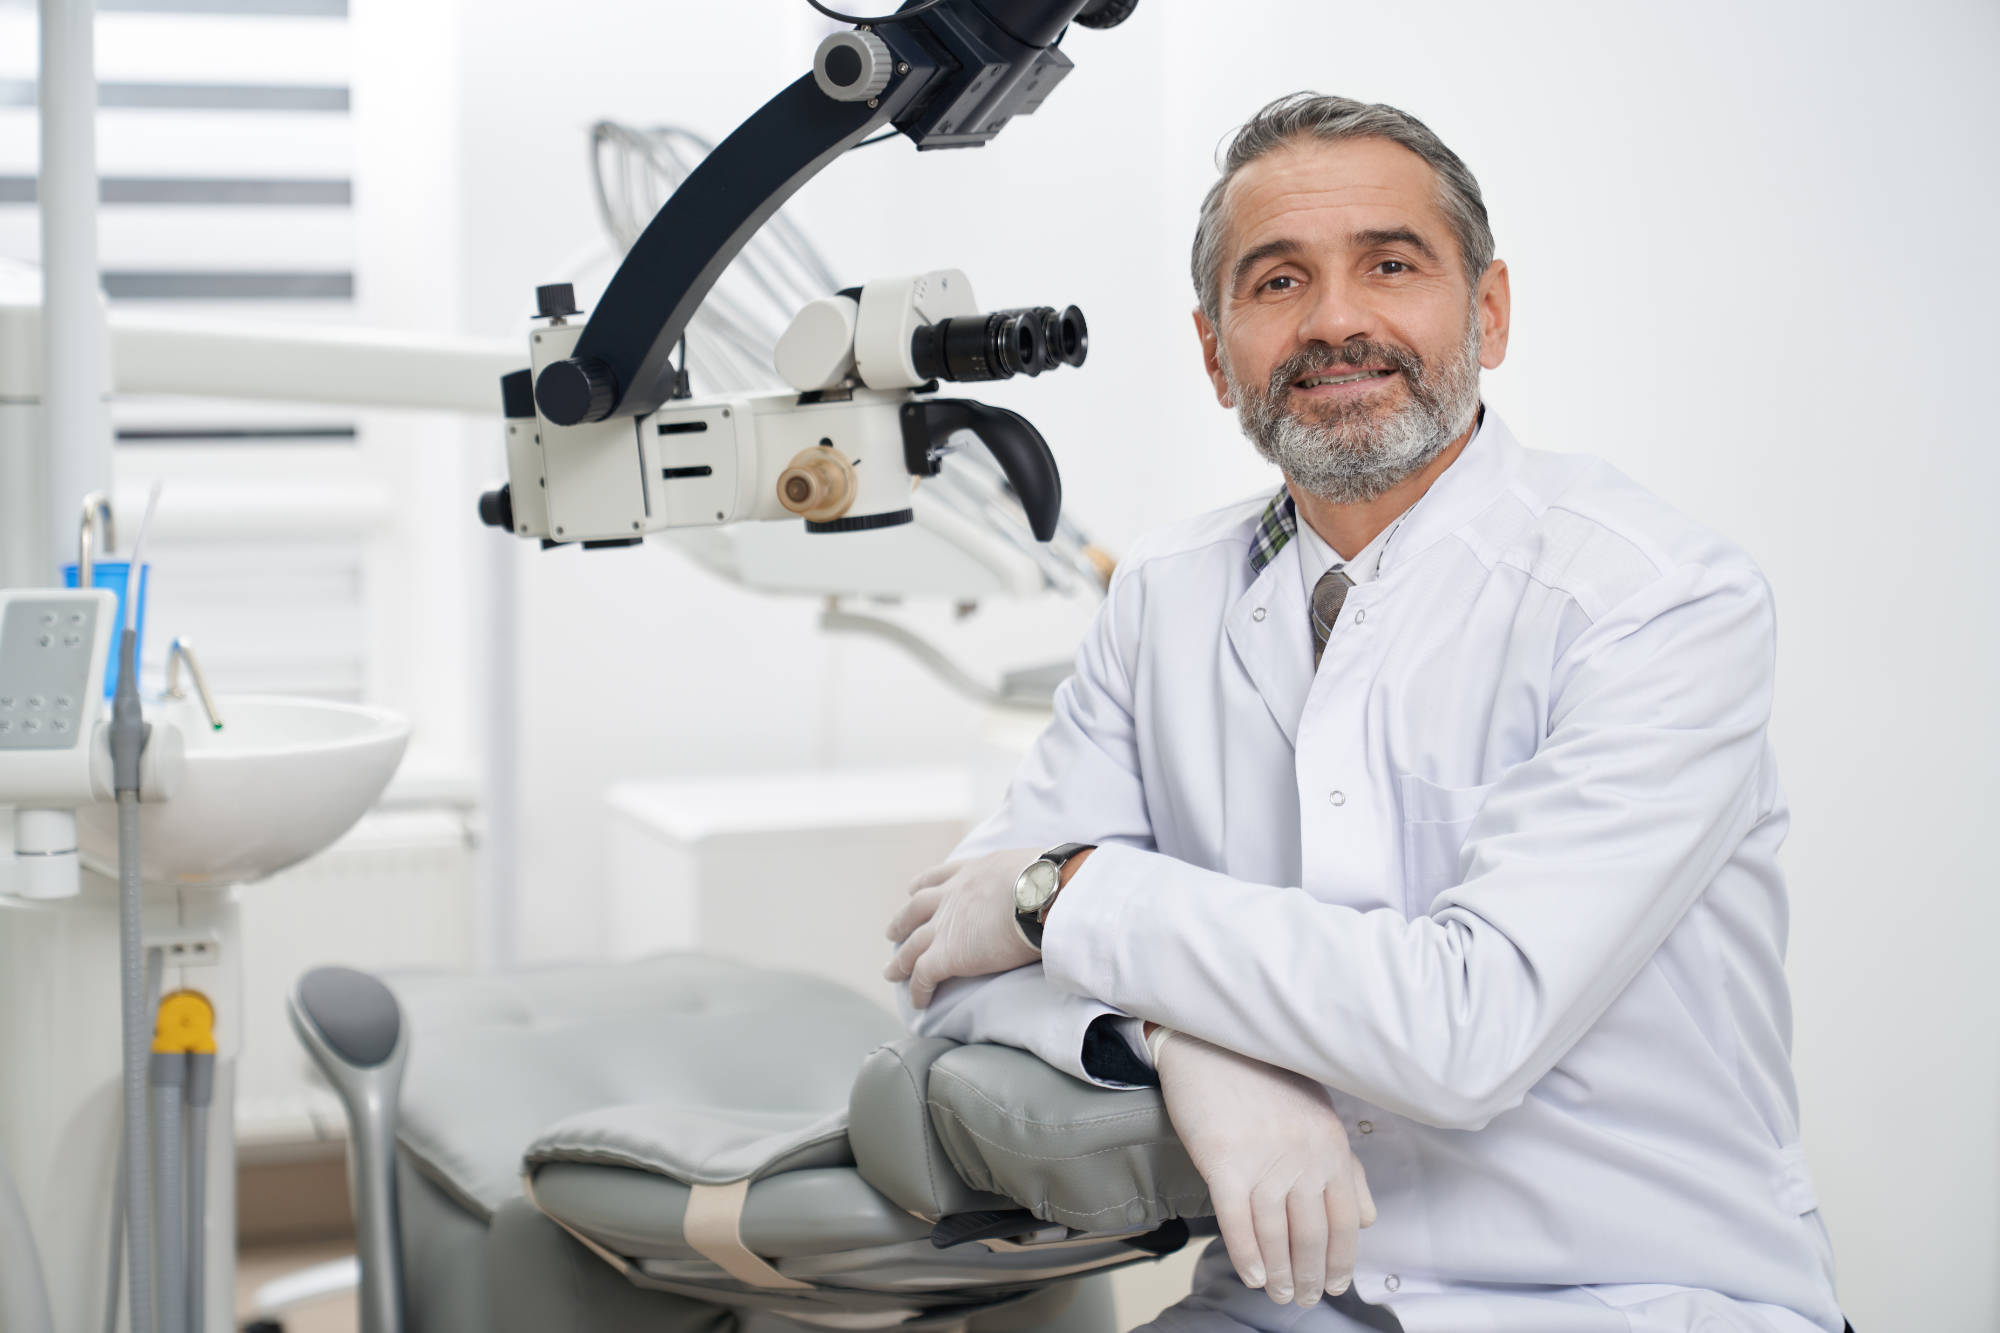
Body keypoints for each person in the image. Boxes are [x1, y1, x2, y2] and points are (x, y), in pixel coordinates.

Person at [881, 94, 1846, 1333]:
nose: (1335, 321)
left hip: (1631, 1298)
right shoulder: (1161, 602)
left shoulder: (1653, 603)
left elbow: (1462, 1028)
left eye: (1389, 265)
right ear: (1214, 347)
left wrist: (1065, 894)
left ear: (1485, 312)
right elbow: (943, 967)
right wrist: (1174, 1047)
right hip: (1282, 1306)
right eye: (1277, 281)